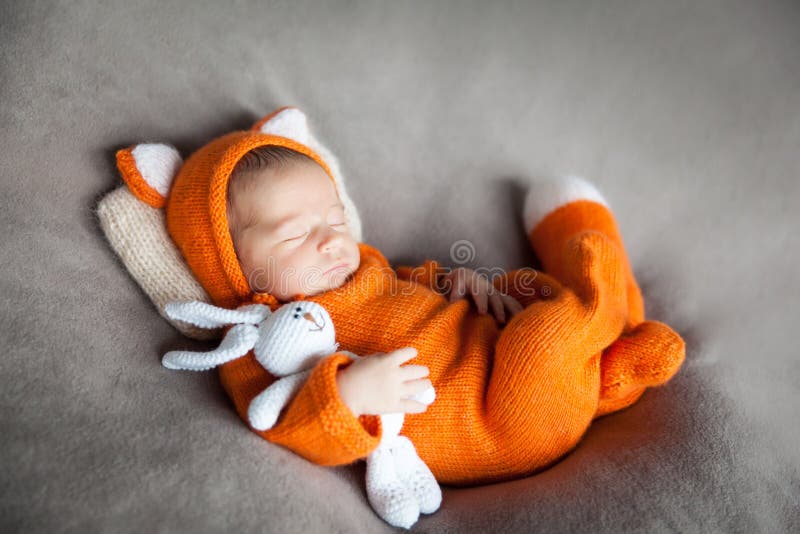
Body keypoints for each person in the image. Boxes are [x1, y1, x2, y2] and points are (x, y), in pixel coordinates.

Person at [164, 108, 685, 487]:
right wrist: (349, 396)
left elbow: (406, 284)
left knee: (521, 292)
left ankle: (609, 373)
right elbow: (284, 423)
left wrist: (459, 283)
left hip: (491, 354)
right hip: (494, 422)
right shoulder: (258, 340)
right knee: (547, 335)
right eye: (296, 235)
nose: (330, 240)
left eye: (334, 220)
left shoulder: (362, 266)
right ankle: (601, 296)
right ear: (229, 262)